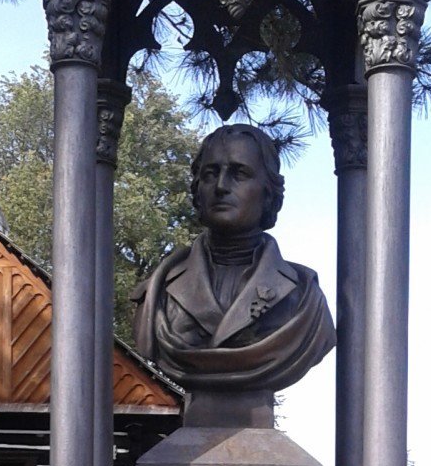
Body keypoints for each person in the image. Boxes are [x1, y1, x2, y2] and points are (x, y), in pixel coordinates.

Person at [132, 124, 335, 394]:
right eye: (210, 174)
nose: (221, 186)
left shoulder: (304, 298)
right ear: (197, 190)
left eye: (239, 173)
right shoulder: (158, 292)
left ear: (268, 192)